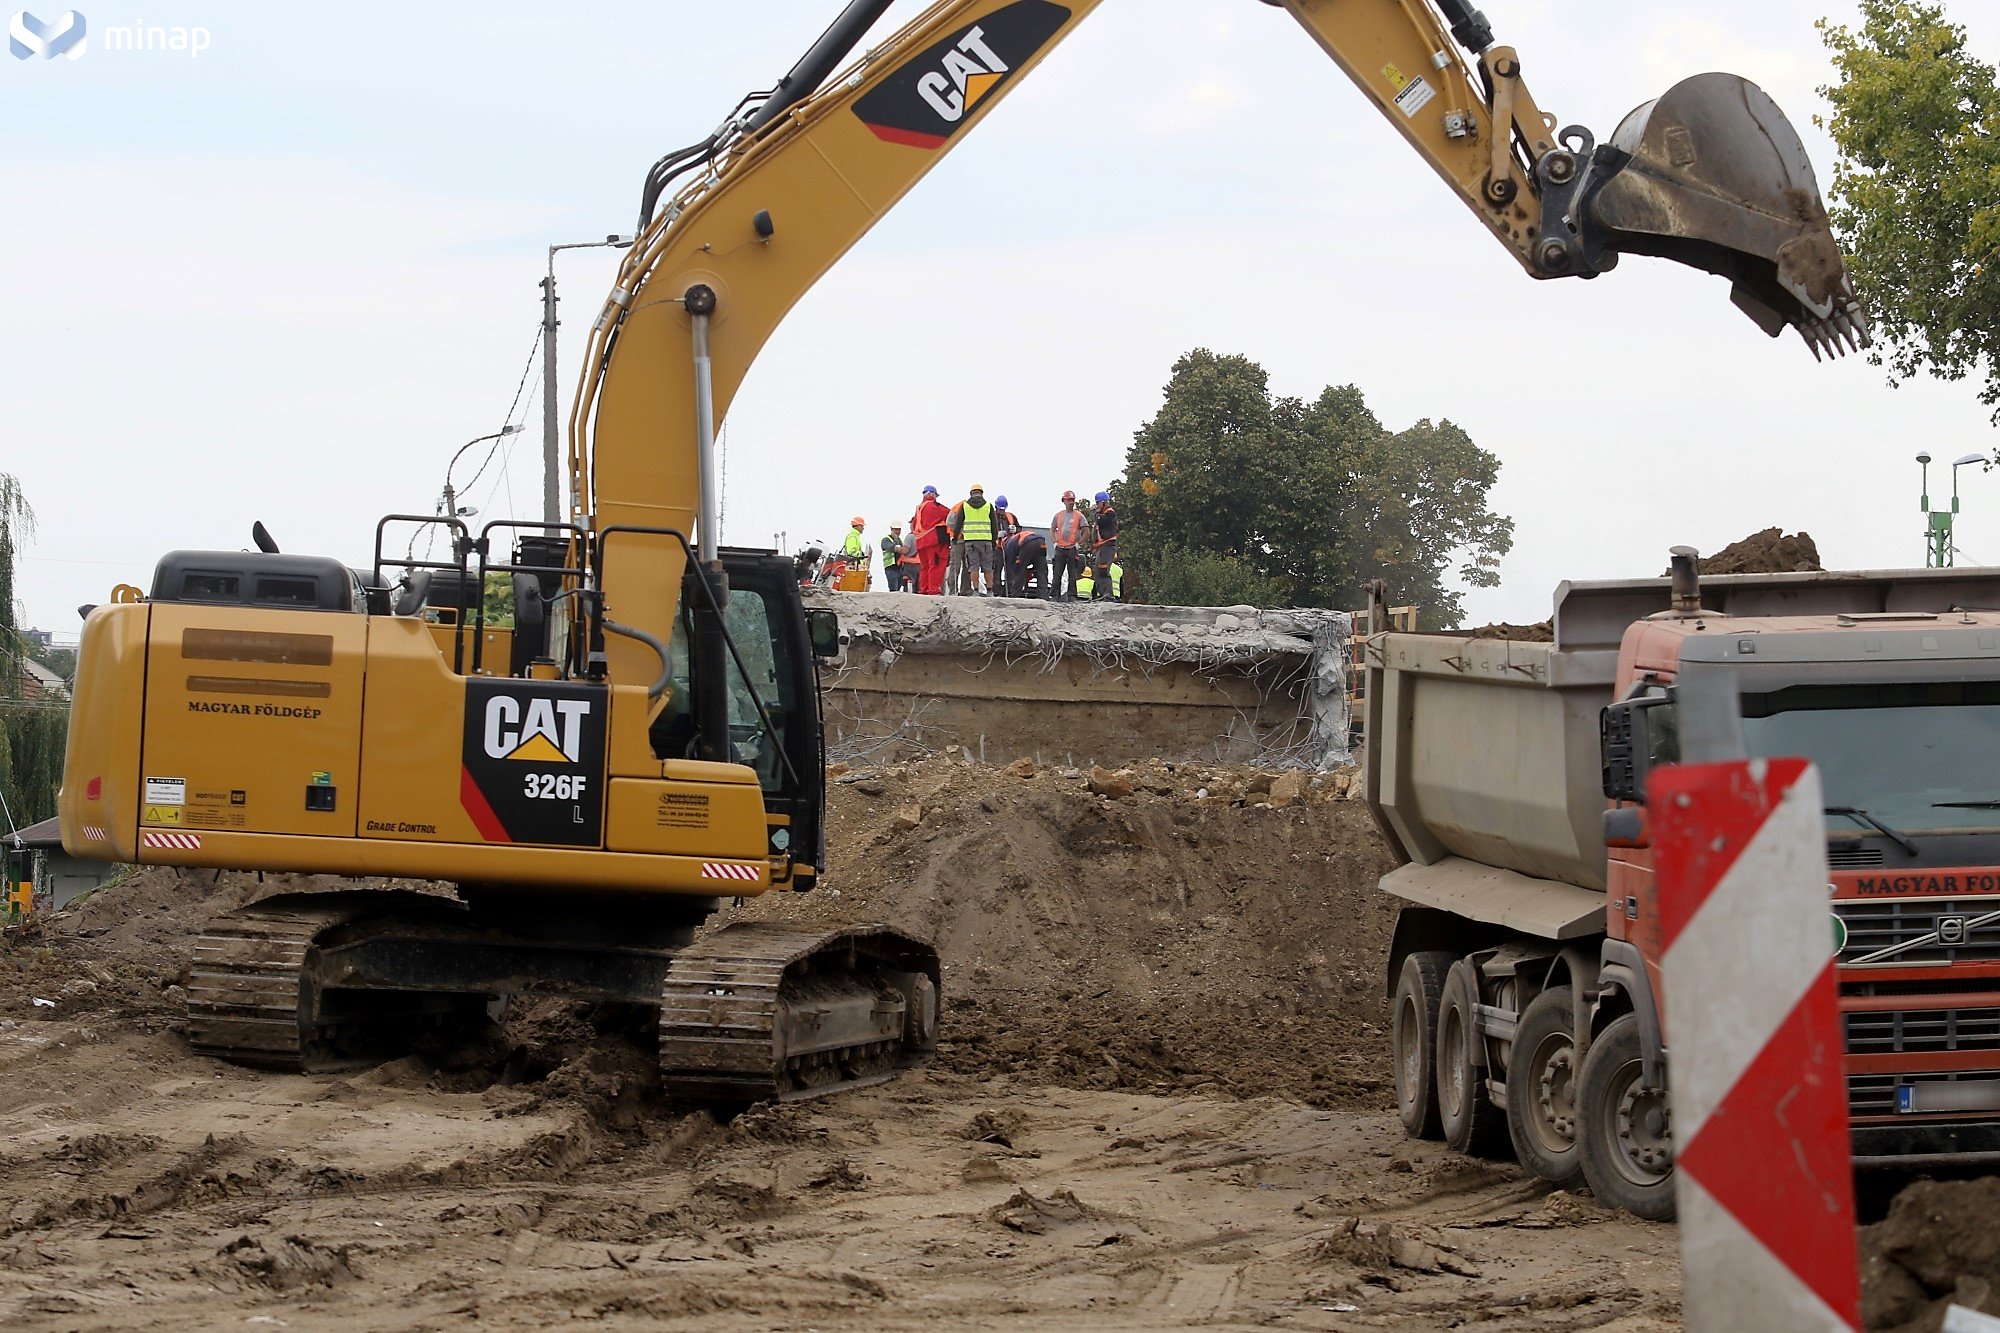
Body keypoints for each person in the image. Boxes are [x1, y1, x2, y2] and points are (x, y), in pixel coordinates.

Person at [949, 484, 1000, 596]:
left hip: (970, 541)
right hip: (986, 541)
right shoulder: (988, 506)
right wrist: (994, 541)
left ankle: (976, 590)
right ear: (982, 493)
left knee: (973, 567)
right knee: (988, 567)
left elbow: (958, 524)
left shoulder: (965, 506)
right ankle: (990, 591)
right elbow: (994, 526)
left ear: (971, 493)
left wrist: (956, 538)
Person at [1049, 490, 1088, 600]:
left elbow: (1086, 531)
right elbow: (1052, 530)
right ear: (1064, 501)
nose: (1071, 502)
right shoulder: (1058, 515)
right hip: (1060, 548)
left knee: (1072, 573)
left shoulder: (1079, 516)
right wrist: (1055, 542)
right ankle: (1054, 595)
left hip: (1072, 548)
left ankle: (1072, 596)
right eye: (1069, 500)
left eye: (1072, 500)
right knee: (1057, 573)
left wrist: (1078, 544)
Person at [914, 485, 951, 595]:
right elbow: (950, 514)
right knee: (936, 565)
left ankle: (924, 589)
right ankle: (933, 590)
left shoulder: (918, 509)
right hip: (934, 541)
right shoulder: (933, 506)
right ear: (931, 494)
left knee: (925, 567)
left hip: (921, 543)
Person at [1001, 528, 1047, 598]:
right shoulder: (1016, 538)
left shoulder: (1008, 544)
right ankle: (1042, 595)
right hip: (1041, 541)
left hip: (1028, 544)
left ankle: (1015, 594)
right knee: (1041, 570)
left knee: (1019, 570)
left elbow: (1012, 566)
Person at [1089, 491, 1119, 601]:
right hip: (1102, 547)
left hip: (1108, 546)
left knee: (1103, 569)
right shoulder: (1103, 514)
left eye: (1098, 504)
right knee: (1097, 571)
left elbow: (1100, 521)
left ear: (1103, 503)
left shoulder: (1110, 513)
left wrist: (1093, 512)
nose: (1097, 506)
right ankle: (1102, 594)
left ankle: (1108, 595)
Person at [839, 516, 869, 589]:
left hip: (855, 565)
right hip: (853, 565)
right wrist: (861, 555)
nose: (863, 528)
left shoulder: (855, 536)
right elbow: (851, 552)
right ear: (857, 526)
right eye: (862, 526)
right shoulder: (852, 536)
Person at [880, 524, 908, 592]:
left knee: (898, 589)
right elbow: (890, 548)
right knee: (893, 589)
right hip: (891, 568)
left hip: (899, 568)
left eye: (899, 529)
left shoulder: (899, 540)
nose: (897, 531)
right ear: (891, 529)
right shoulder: (886, 540)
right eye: (895, 529)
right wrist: (896, 541)